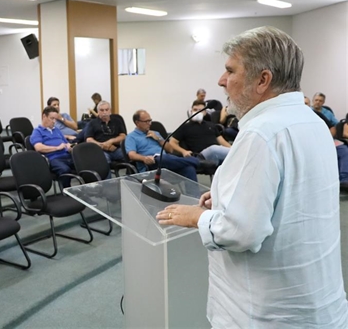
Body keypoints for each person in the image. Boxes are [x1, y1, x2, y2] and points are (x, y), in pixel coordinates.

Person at [156, 26, 348, 328]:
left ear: (263, 80)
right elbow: (290, 198)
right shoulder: (311, 122)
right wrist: (225, 199)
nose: (221, 81)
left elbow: (241, 232)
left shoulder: (261, 133)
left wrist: (196, 217)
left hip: (268, 312)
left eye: (230, 71)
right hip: (316, 305)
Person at [125, 110, 214, 181]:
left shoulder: (155, 133)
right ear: (137, 123)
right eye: (146, 121)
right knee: (160, 158)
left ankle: (194, 200)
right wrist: (144, 158)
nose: (150, 123)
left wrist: (158, 139)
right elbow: (131, 155)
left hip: (168, 162)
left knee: (189, 168)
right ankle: (197, 162)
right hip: (151, 164)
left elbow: (170, 149)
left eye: (150, 120)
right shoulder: (131, 137)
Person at [169, 100, 231, 165]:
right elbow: (172, 142)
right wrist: (184, 151)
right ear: (191, 111)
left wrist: (232, 148)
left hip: (216, 154)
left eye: (200, 110)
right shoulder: (185, 126)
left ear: (205, 112)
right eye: (195, 109)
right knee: (214, 149)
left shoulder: (211, 125)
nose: (197, 112)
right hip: (200, 155)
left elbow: (222, 141)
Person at [30, 106, 76, 188]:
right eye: (52, 118)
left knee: (83, 163)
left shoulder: (57, 130)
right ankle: (67, 192)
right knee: (65, 170)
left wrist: (70, 147)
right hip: (53, 158)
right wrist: (57, 148)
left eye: (55, 119)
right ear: (44, 116)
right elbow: (39, 147)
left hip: (67, 155)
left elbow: (66, 143)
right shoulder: (37, 131)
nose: (54, 121)